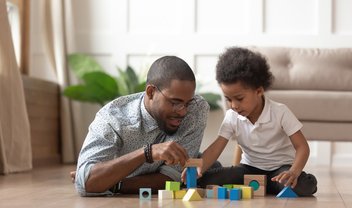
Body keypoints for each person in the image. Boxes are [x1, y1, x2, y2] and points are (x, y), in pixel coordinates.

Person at [182, 47, 317, 196]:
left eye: (239, 99)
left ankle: (278, 185)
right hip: (247, 169)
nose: (233, 105)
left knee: (302, 186)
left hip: (280, 170)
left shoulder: (280, 112)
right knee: (207, 180)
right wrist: (199, 168)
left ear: (259, 91)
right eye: (228, 99)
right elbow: (215, 148)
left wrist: (293, 172)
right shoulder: (231, 116)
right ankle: (265, 187)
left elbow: (302, 147)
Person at [74, 56, 210, 196]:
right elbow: (86, 183)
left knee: (218, 175)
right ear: (151, 92)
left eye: (187, 103)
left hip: (195, 175)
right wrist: (147, 153)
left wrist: (114, 184)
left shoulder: (196, 109)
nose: (183, 111)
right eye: (175, 102)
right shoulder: (112, 118)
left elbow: (172, 178)